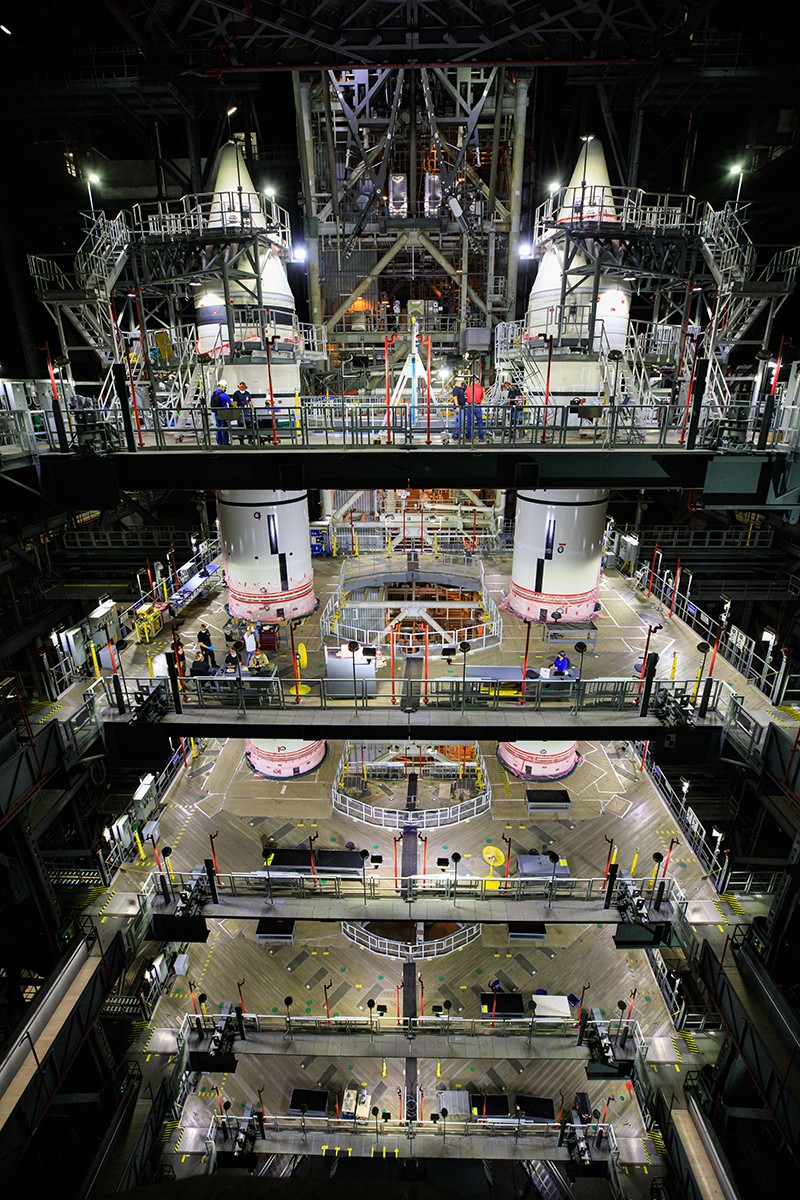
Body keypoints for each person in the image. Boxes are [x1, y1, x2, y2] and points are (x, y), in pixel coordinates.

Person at [210, 380, 232, 445]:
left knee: (218, 427)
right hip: (223, 414)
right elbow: (231, 403)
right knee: (224, 427)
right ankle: (225, 442)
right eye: (225, 387)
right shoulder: (223, 395)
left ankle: (219, 442)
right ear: (222, 387)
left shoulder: (213, 394)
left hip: (216, 413)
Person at [464, 376, 485, 441]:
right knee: (480, 422)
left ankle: (469, 438)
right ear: (478, 382)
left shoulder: (468, 388)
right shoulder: (481, 388)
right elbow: (482, 397)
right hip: (477, 406)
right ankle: (481, 437)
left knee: (469, 422)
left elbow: (466, 395)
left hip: (470, 405)